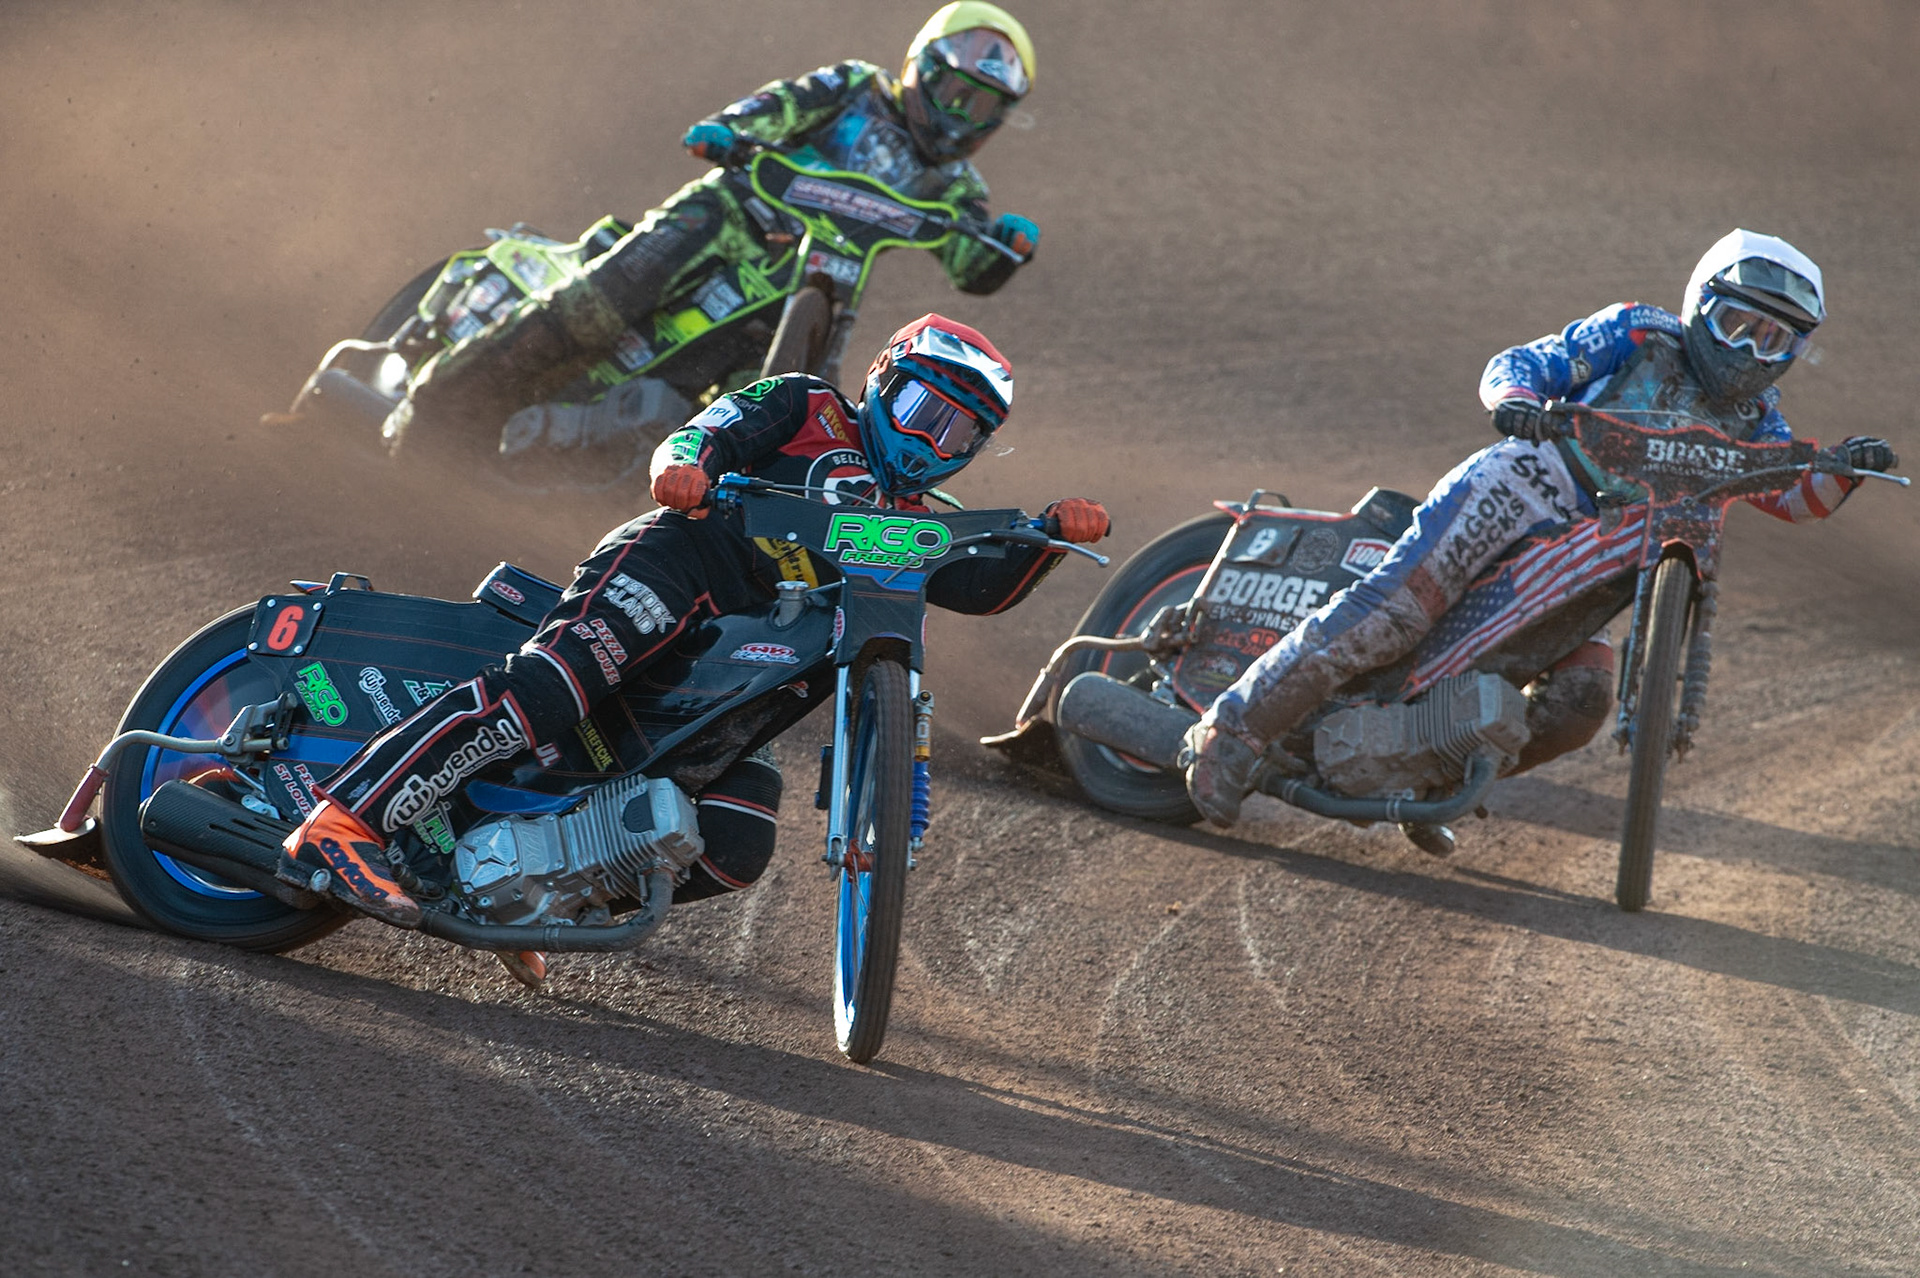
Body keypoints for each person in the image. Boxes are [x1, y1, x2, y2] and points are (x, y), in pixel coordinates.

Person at [279, 315, 1109, 978]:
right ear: (881, 384)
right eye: (925, 413)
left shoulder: (914, 526)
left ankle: (525, 898)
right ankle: (346, 813)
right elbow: (704, 433)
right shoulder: (807, 404)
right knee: (559, 683)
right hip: (677, 566)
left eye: (959, 438)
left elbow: (977, 588)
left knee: (738, 839)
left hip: (736, 671)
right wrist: (685, 467)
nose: (933, 445)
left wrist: (1045, 539)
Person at [1182, 228, 1898, 841]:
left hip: (1611, 551)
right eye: (1736, 324)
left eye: (1775, 339)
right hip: (1529, 483)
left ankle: (1431, 779)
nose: (1750, 351)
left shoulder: (1759, 417)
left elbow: (1794, 495)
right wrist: (1519, 403)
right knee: (1396, 612)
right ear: (1698, 304)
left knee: (1584, 699)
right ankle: (1229, 733)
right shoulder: (1640, 333)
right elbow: (1523, 364)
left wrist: (1846, 467)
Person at [383, 2, 1042, 449]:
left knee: (766, 413)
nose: (961, 114)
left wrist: (1005, 247)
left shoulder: (954, 187)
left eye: (982, 107)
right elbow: (782, 103)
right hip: (728, 219)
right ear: (919, 68)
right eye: (955, 92)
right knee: (601, 304)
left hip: (810, 284)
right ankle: (441, 403)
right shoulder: (856, 89)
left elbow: (972, 263)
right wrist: (731, 129)